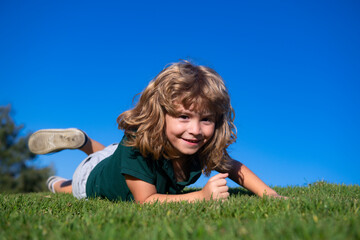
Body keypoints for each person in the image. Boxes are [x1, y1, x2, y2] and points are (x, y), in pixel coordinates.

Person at [28, 61, 284, 203]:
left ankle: (84, 141)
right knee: (75, 186)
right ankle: (57, 181)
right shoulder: (136, 145)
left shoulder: (197, 146)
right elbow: (147, 201)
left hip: (117, 156)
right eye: (184, 116)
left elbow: (235, 168)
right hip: (92, 177)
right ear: (160, 113)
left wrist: (270, 194)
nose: (195, 130)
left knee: (111, 153)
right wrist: (201, 196)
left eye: (206, 119)